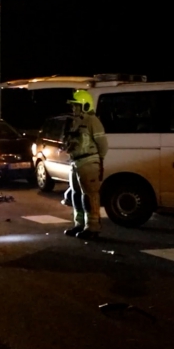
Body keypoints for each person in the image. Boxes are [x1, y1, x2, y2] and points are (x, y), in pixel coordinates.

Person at [62, 89, 108, 239]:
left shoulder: (92, 121)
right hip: (76, 162)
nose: (73, 108)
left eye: (76, 105)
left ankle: (93, 227)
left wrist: (97, 159)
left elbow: (103, 145)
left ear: (85, 105)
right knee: (76, 195)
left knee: (89, 195)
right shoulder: (75, 121)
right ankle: (79, 224)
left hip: (88, 161)